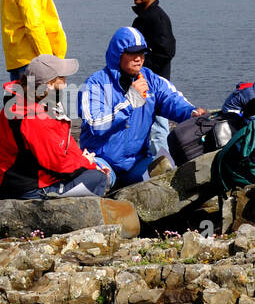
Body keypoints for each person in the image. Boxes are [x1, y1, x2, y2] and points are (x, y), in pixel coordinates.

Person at [79, 27, 206, 186]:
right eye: (132, 53)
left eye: (142, 53)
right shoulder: (95, 84)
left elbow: (172, 99)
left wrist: (191, 113)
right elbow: (95, 124)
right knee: (93, 178)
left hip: (137, 163)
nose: (139, 58)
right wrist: (130, 100)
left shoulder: (152, 80)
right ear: (117, 54)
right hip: (102, 160)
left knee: (169, 173)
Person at [0, 54, 111, 200]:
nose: (66, 83)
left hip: (13, 175)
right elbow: (57, 163)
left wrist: (85, 161)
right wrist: (87, 164)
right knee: (99, 179)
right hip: (25, 187)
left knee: (94, 171)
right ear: (49, 84)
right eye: (62, 78)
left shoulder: (25, 101)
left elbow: (62, 144)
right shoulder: (35, 118)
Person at [128, 0, 177, 157]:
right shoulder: (144, 18)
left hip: (154, 81)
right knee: (147, 124)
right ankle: (153, 163)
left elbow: (167, 51)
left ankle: (164, 166)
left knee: (157, 126)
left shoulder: (157, 17)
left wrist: (143, 69)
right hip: (144, 81)